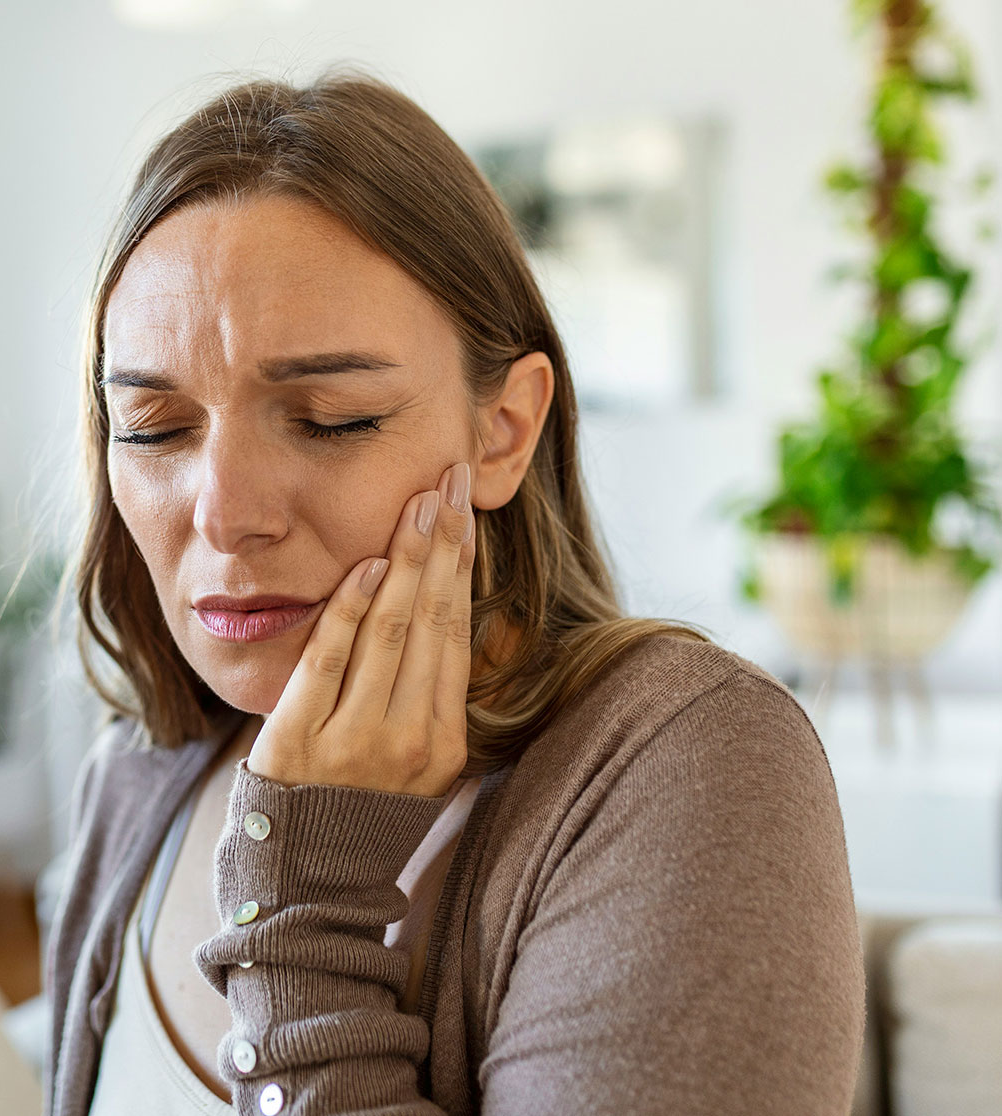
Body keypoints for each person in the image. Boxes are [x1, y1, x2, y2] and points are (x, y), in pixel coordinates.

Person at [42, 64, 865, 1116]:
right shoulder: (139, 773)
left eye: (331, 417)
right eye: (155, 430)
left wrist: (310, 919)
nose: (225, 512)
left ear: (502, 430)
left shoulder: (689, 766)